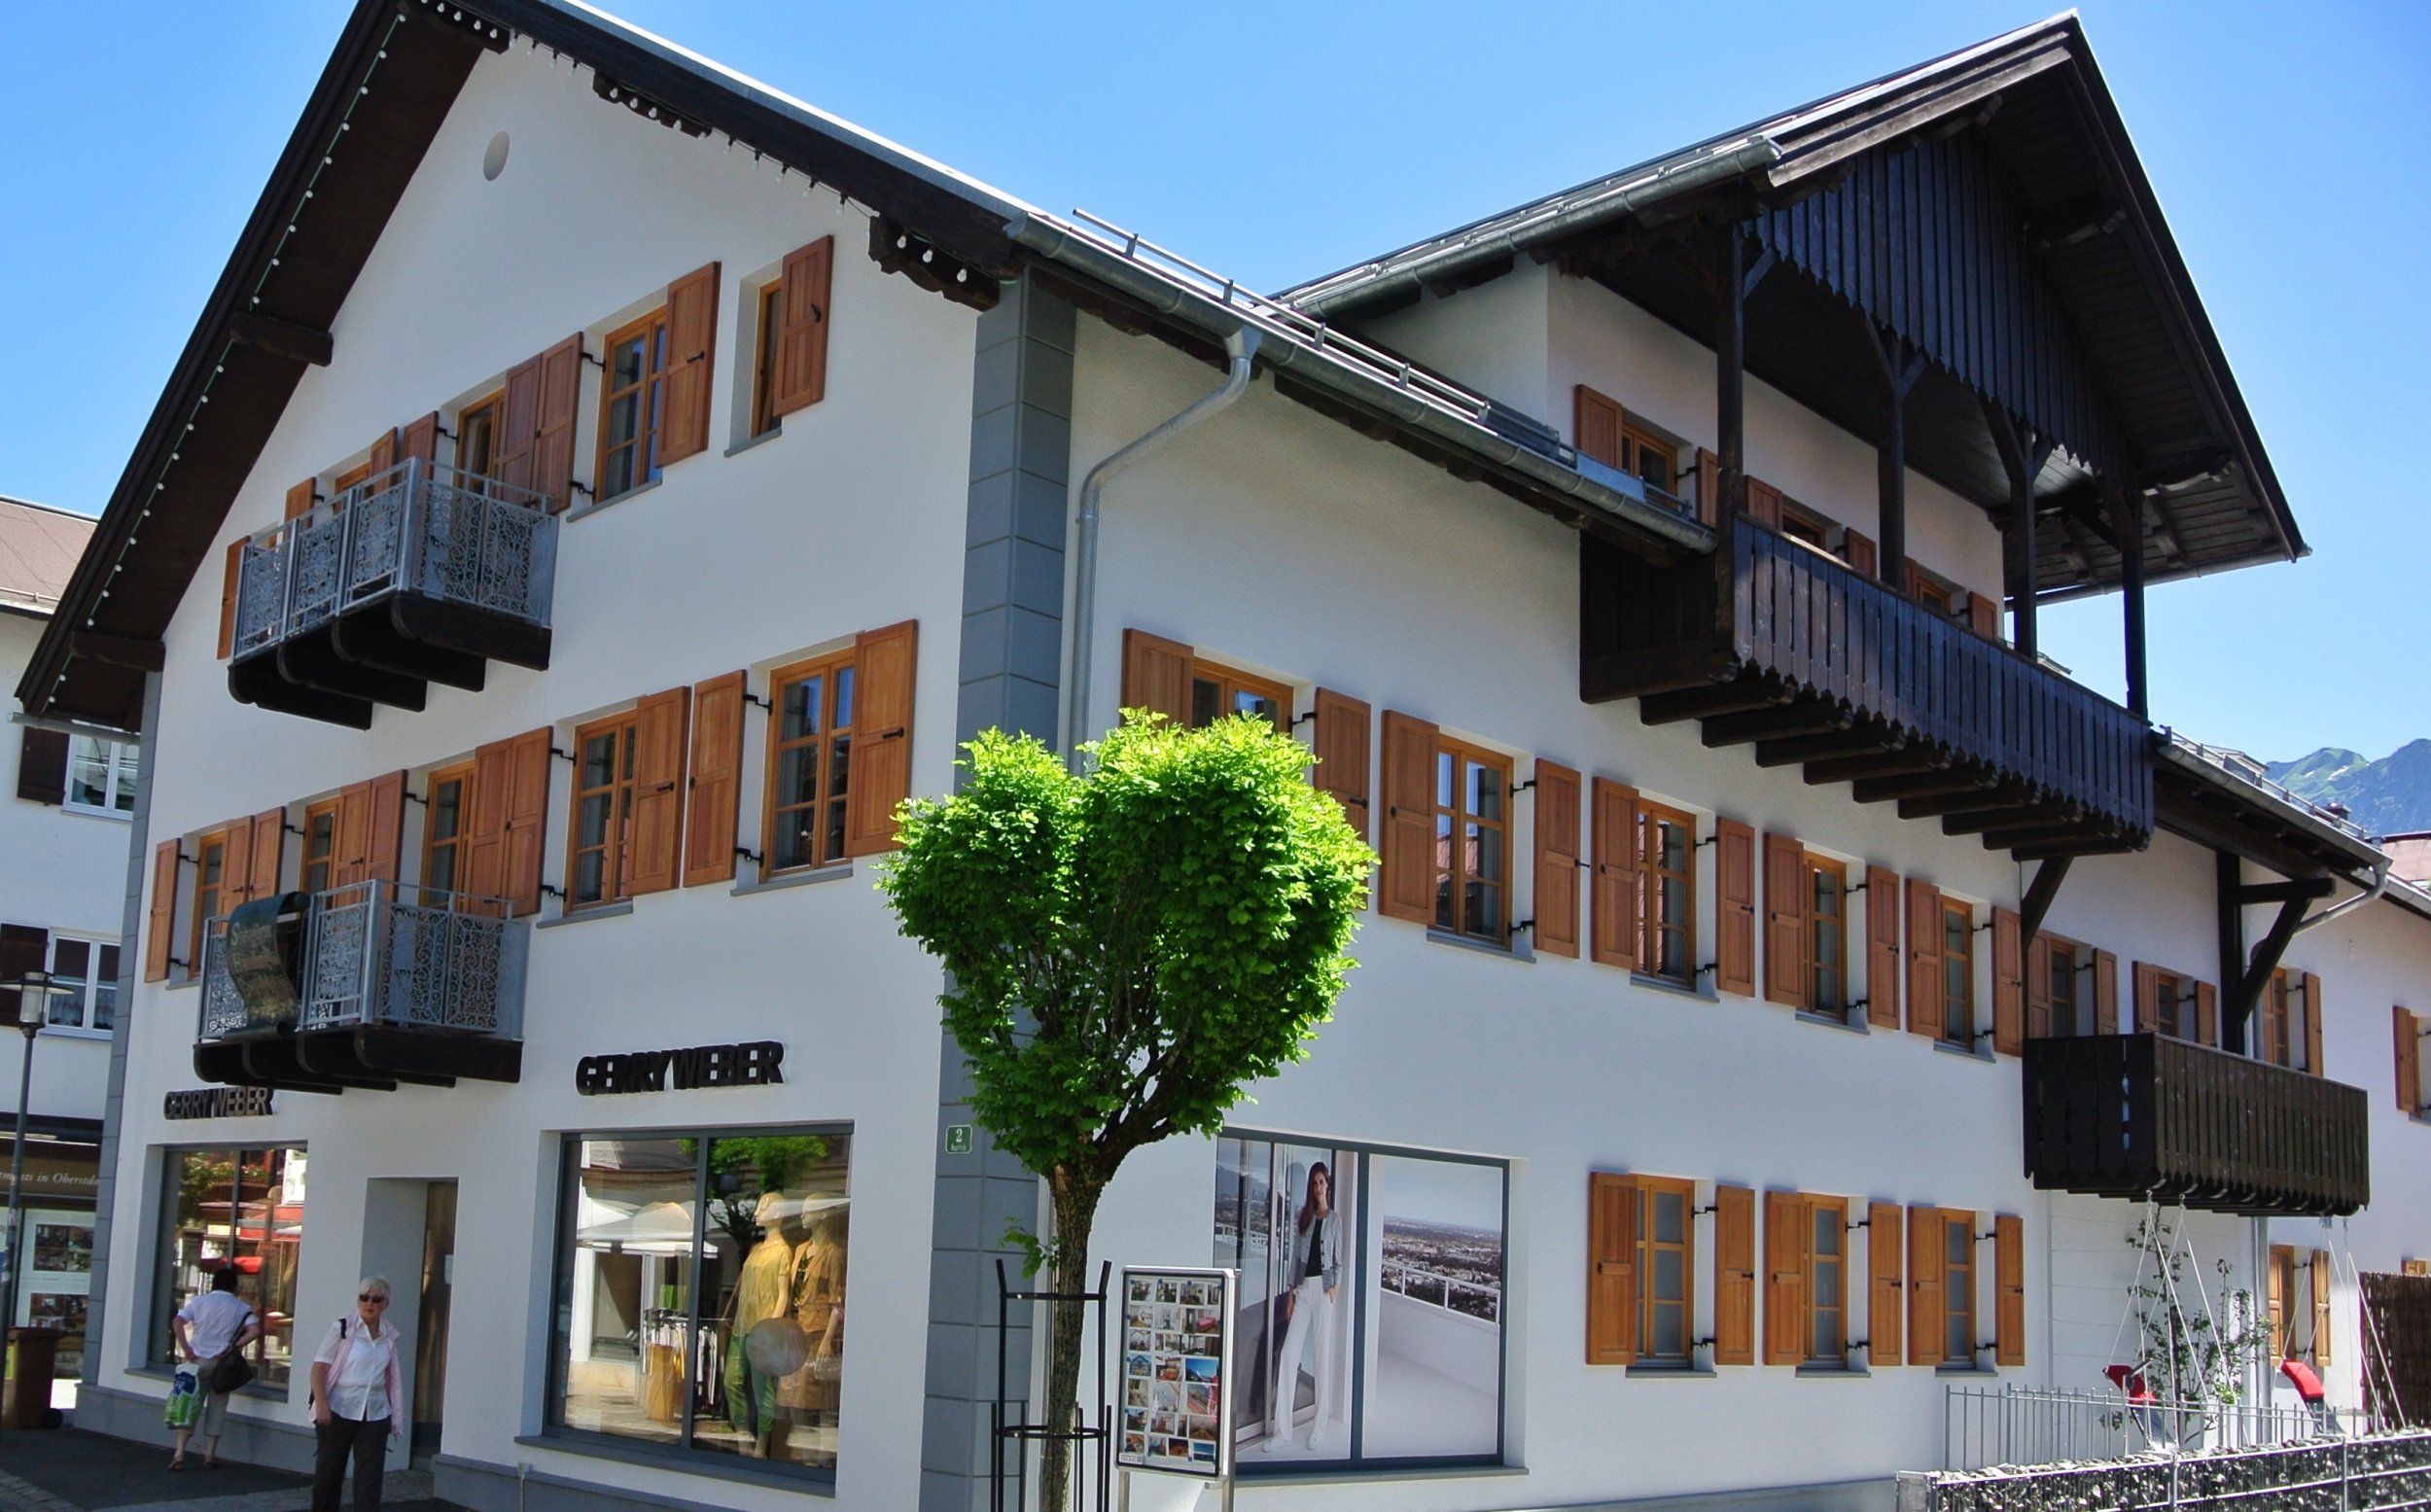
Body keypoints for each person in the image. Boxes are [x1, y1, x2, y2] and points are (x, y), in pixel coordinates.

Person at [309, 1277, 405, 1511]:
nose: (369, 1303)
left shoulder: (389, 1335)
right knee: (329, 1473)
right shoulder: (342, 1329)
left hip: (375, 1410)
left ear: (385, 1304)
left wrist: (394, 1413)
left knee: (369, 1478)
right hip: (339, 1407)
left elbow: (390, 1377)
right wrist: (321, 1402)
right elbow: (318, 1368)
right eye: (364, 1298)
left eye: (376, 1299)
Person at [1264, 1161, 1340, 1452]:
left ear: (1327, 1186)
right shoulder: (1304, 1217)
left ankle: (1318, 1427)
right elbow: (1295, 1257)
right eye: (1314, 1183)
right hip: (1304, 1290)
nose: (1318, 1187)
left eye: (1321, 1182)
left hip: (1324, 1292)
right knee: (1288, 1356)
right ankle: (1282, 1433)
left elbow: (1339, 1260)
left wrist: (1335, 1287)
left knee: (1321, 1358)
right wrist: (1291, 1293)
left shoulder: (1334, 1220)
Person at [167, 1266, 263, 1470]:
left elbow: (177, 1321)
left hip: (196, 1360)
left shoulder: (199, 1302)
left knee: (188, 1403)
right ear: (234, 1286)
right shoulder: (241, 1307)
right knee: (218, 1405)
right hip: (223, 1363)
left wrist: (186, 1348)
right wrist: (233, 1346)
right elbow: (254, 1331)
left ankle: (180, 1452)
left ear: (213, 1283)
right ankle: (210, 1454)